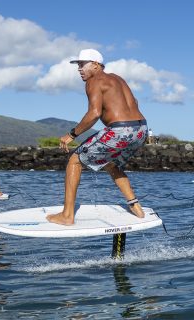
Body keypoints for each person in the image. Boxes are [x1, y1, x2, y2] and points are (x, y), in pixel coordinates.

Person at [46, 49, 148, 225]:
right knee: (111, 163)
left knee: (74, 160)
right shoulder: (117, 78)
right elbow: (135, 102)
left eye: (82, 64)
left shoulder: (94, 81)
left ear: (95, 64)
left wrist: (72, 134)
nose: (79, 69)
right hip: (140, 128)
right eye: (77, 65)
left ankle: (67, 215)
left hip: (120, 130)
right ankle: (136, 207)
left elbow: (94, 113)